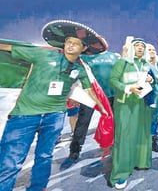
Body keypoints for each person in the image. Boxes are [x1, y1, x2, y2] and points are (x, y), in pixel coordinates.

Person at [0, 19, 108, 191]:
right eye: (69, 42)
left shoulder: (80, 68)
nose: (71, 46)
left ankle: (38, 187)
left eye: (76, 43)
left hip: (55, 116)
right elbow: (8, 48)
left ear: (84, 48)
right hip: (24, 116)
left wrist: (101, 108)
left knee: (44, 156)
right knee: (11, 161)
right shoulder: (42, 54)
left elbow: (90, 90)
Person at [109, 38, 157, 189]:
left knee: (141, 134)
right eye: (137, 45)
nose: (140, 48)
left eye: (143, 46)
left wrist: (151, 79)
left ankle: (140, 161)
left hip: (142, 104)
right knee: (124, 136)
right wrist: (129, 88)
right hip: (125, 104)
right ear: (130, 48)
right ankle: (121, 174)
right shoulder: (122, 62)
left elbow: (153, 82)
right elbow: (113, 81)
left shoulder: (146, 64)